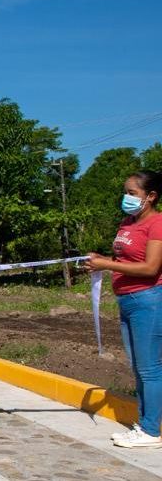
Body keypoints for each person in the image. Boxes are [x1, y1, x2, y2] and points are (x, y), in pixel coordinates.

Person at [86, 170, 162, 449]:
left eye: (133, 193)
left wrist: (108, 265)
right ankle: (144, 424)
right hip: (127, 300)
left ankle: (151, 430)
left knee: (150, 367)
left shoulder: (157, 224)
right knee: (138, 367)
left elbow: (150, 267)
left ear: (150, 196)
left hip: (148, 299)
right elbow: (121, 258)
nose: (126, 197)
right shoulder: (127, 224)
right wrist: (100, 261)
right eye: (126, 192)